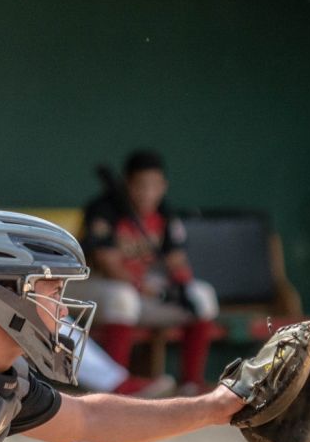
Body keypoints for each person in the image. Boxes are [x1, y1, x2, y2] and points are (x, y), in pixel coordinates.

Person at [0, 208, 244, 442]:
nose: (64, 308)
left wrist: (217, 407)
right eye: (54, 290)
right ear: (5, 295)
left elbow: (92, 418)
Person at [73, 149, 220, 395]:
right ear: (127, 184)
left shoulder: (163, 212)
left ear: (164, 186)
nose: (147, 193)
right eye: (140, 185)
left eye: (154, 186)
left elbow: (176, 259)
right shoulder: (104, 208)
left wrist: (181, 286)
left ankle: (191, 383)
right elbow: (107, 262)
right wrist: (143, 287)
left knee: (202, 295)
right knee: (123, 296)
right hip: (92, 284)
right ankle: (116, 385)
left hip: (145, 289)